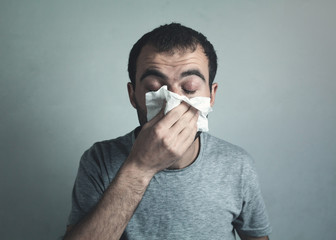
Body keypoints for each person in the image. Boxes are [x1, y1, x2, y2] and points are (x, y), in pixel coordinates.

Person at [63, 23, 272, 240]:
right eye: (154, 89)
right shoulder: (100, 160)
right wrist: (140, 168)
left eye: (189, 88)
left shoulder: (237, 165)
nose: (172, 104)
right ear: (133, 95)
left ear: (211, 95)